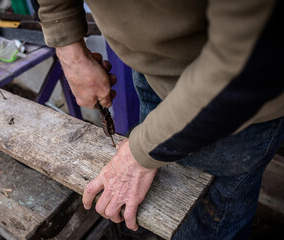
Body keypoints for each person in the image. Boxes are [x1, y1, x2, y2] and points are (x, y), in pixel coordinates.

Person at [37, 0, 284, 239]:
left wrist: (140, 153)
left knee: (201, 223)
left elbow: (250, 64)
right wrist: (69, 48)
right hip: (151, 71)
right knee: (155, 193)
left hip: (231, 106)